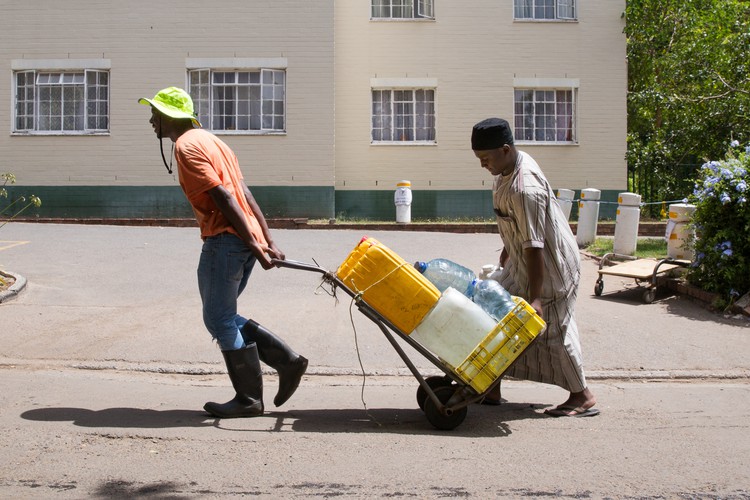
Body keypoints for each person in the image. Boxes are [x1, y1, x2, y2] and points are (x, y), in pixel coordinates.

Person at [138, 87, 308, 418]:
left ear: (172, 116)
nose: (151, 120)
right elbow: (245, 193)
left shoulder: (186, 147)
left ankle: (250, 398)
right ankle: (286, 362)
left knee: (217, 317)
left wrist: (256, 244)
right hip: (242, 238)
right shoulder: (214, 142)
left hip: (226, 238)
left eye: (156, 113)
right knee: (224, 315)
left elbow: (224, 197)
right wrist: (264, 239)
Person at [471, 117, 598, 417]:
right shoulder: (508, 167)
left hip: (550, 269)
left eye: (485, 158)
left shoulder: (524, 186)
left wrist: (536, 297)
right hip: (523, 263)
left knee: (550, 330)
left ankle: (582, 396)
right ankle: (491, 386)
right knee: (494, 314)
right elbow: (517, 223)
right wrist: (507, 252)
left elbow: (535, 244)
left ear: (505, 149)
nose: (482, 165)